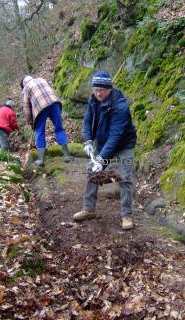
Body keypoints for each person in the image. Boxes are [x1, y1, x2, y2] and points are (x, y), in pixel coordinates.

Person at [73, 70, 137, 230]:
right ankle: (88, 209)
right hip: (102, 142)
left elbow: (115, 136)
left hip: (123, 145)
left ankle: (126, 216)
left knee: (125, 177)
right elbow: (87, 121)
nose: (98, 93)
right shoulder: (93, 100)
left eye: (101, 90)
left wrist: (102, 159)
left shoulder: (121, 107)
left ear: (109, 89)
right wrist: (88, 140)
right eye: (95, 89)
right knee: (91, 171)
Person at [20, 75, 73, 165]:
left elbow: (26, 109)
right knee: (59, 128)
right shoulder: (42, 79)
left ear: (23, 84)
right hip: (55, 103)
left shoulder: (26, 88)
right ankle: (67, 155)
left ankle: (41, 160)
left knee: (39, 132)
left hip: (40, 108)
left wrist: (31, 123)